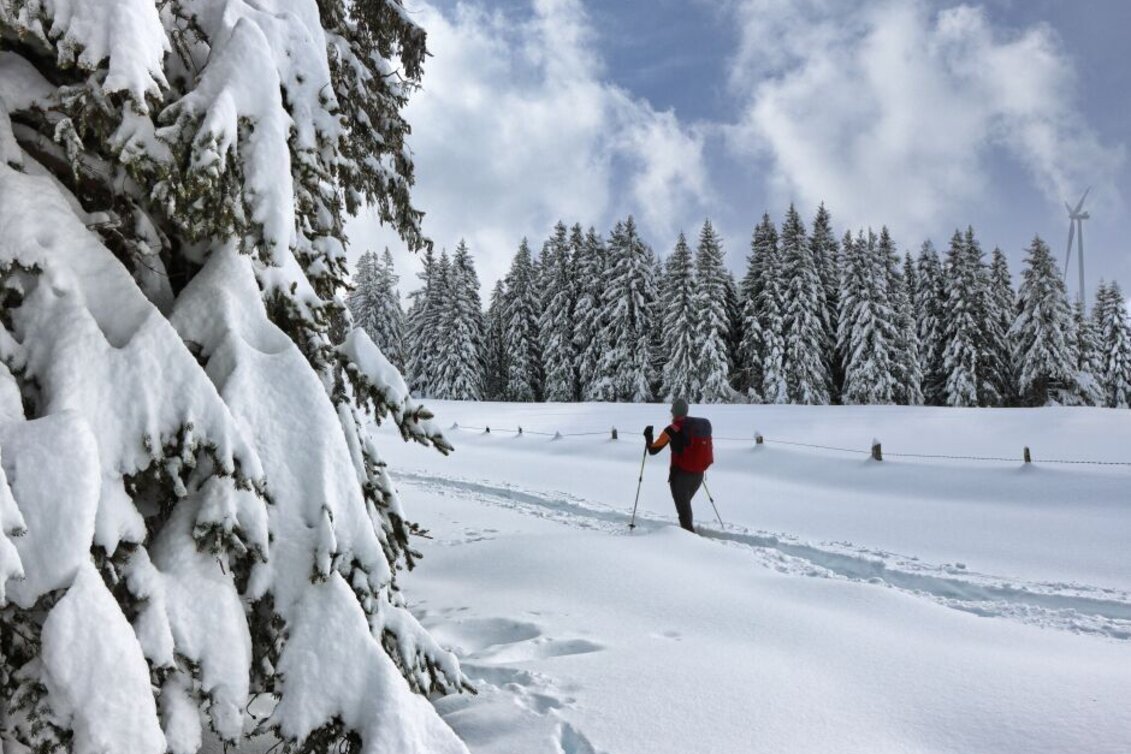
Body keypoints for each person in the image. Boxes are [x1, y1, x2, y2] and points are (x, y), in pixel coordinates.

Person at [643, 398, 704, 532]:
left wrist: (648, 437)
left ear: (674, 412)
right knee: (685, 508)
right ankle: (688, 535)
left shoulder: (671, 430)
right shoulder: (695, 426)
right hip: (699, 474)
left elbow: (653, 450)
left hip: (680, 476)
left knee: (683, 511)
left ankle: (688, 541)